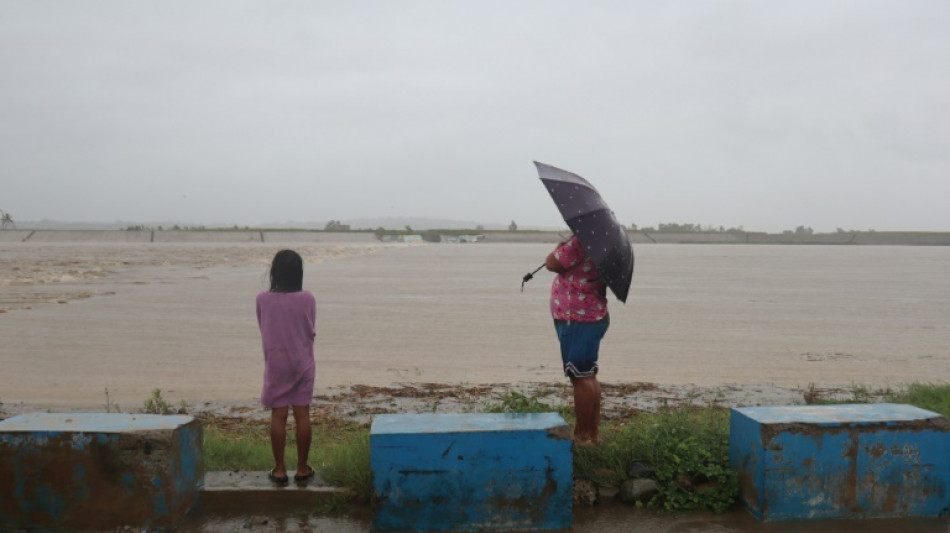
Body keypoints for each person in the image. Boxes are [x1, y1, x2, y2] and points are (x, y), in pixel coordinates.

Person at [256, 249, 317, 485]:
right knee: (302, 414)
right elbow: (310, 329)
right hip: (302, 362)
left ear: (274, 273)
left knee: (278, 415)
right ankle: (302, 468)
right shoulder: (308, 298)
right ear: (298, 273)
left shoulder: (262, 299)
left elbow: (264, 328)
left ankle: (280, 469)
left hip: (276, 363)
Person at [545, 235, 609, 446]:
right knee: (588, 375)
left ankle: (583, 436)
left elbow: (551, 263)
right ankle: (592, 434)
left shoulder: (578, 243)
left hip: (578, 319)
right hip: (592, 315)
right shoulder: (602, 242)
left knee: (580, 378)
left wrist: (561, 246)